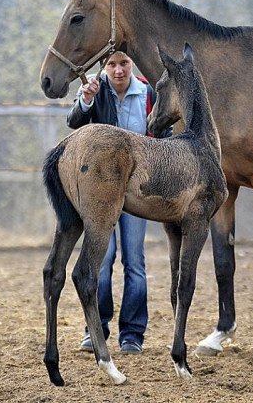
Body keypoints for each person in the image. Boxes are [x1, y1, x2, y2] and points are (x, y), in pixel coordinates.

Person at [67, 50, 170, 354]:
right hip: (102, 193)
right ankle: (95, 330)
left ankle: (133, 335)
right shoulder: (94, 90)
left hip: (137, 192)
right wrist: (85, 100)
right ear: (104, 68)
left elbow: (161, 137)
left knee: (134, 262)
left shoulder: (149, 92)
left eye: (123, 63)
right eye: (111, 64)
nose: (118, 69)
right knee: (101, 260)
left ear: (132, 65)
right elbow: (74, 121)